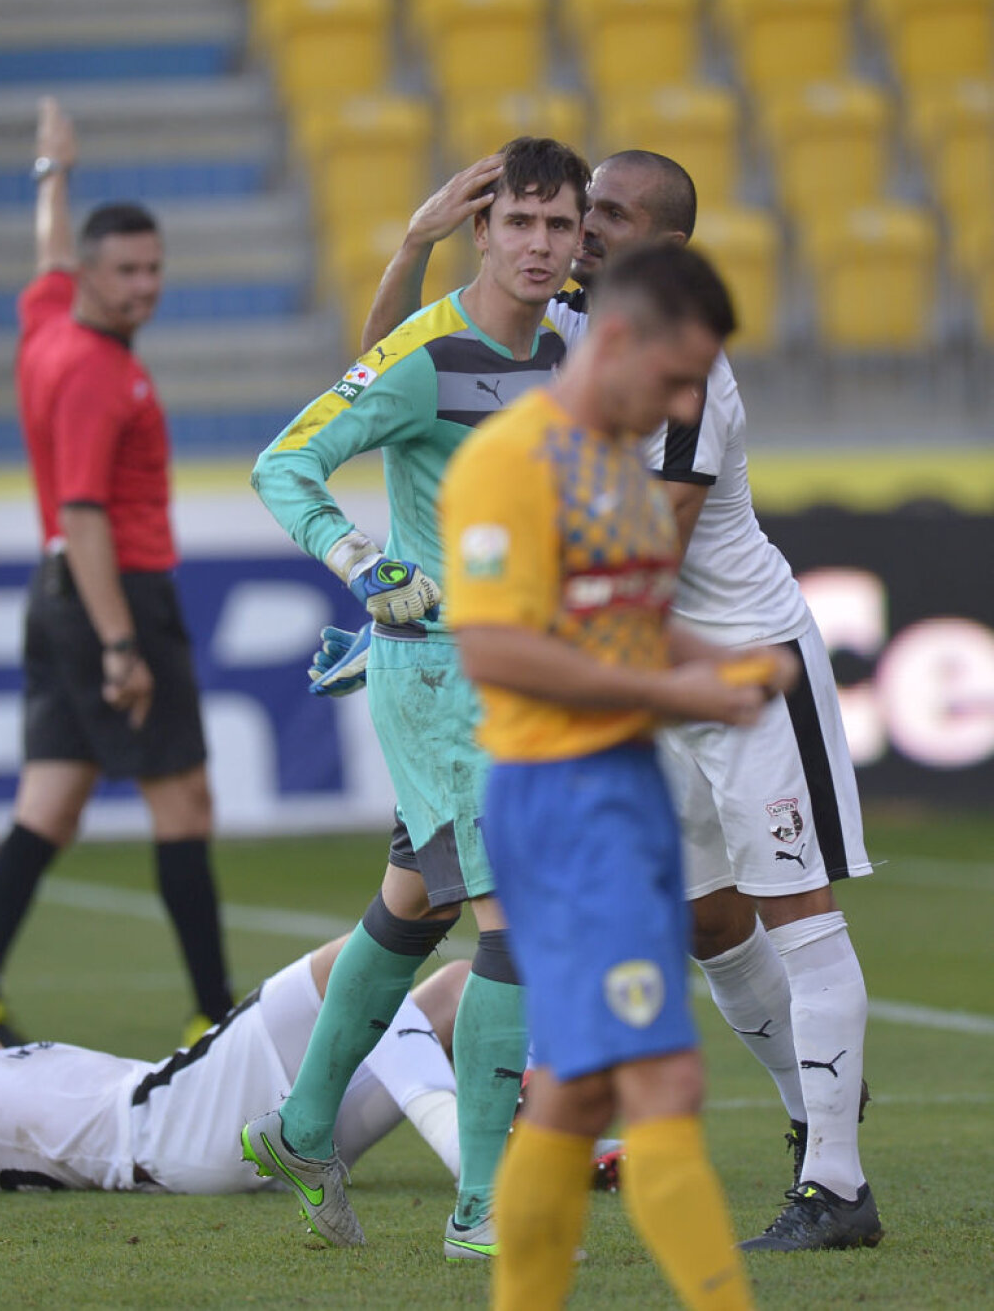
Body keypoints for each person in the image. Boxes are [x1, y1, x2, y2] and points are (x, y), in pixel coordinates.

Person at [360, 148, 883, 1253]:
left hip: (740, 662)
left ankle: (837, 1185)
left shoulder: (690, 372)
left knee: (797, 906)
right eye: (578, 208)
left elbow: (647, 553)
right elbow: (389, 372)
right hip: (655, 677)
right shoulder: (567, 325)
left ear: (669, 246)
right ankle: (816, 1117)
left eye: (608, 212)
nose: (581, 229)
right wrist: (416, 246)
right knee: (706, 920)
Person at [240, 136, 592, 1257]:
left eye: (559, 226)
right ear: (481, 231)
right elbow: (285, 462)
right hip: (445, 680)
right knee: (521, 929)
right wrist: (363, 562)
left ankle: (301, 1131)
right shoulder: (429, 355)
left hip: (524, 680)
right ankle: (486, 1209)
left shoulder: (569, 347)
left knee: (412, 913)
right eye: (520, 223)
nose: (539, 244)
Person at [440, 243, 766, 1311]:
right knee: (663, 1078)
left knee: (578, 1093)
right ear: (616, 340)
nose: (686, 403)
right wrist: (680, 695)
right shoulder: (510, 462)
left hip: (620, 792)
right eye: (678, 378)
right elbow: (493, 647)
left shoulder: (618, 464)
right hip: (561, 799)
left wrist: (710, 665)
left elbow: (630, 624)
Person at [0, 97, 232, 1048]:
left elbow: (44, 256)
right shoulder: (92, 373)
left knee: (50, 802)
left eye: (156, 268)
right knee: (184, 803)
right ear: (92, 274)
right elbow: (84, 515)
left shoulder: (51, 322)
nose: (147, 286)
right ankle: (216, 1014)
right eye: (127, 271)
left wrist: (54, 173)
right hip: (112, 594)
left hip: (57, 597)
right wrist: (123, 642)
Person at [0, 940, 467, 1197]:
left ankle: (534, 1134)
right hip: (174, 1112)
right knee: (363, 956)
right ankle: (473, 1166)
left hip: (203, 1156)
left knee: (452, 994)